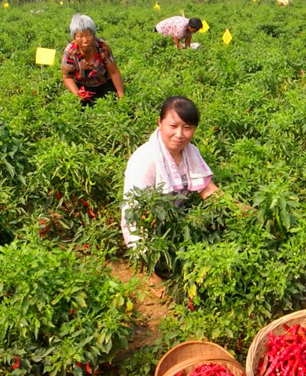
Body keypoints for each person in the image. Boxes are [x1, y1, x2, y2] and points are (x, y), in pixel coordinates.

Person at [121, 96, 218, 250]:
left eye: (187, 128)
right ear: (159, 122)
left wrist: (240, 210)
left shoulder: (190, 152)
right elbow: (134, 211)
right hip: (149, 228)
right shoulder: (145, 160)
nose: (179, 134)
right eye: (173, 126)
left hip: (175, 222)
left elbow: (209, 191)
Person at [62, 14, 124, 104]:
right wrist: (77, 93)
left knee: (112, 102)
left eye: (88, 35)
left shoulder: (102, 47)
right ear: (74, 37)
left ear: (93, 35)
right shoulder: (70, 52)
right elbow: (67, 77)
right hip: (82, 86)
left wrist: (121, 96)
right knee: (81, 105)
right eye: (80, 36)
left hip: (103, 83)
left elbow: (113, 72)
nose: (85, 40)